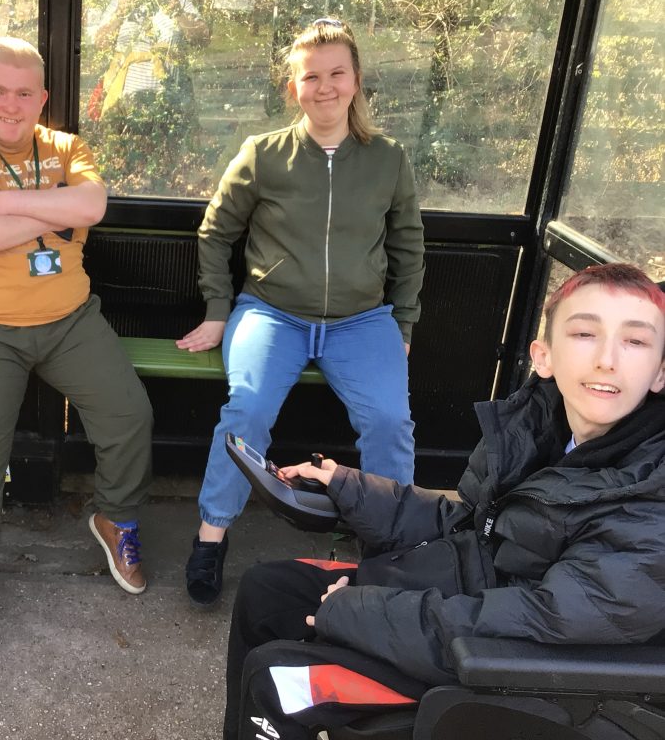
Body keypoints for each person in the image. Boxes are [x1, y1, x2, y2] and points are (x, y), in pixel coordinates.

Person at [224, 263, 665, 739]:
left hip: (514, 669)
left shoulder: (648, 499)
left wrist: (360, 611)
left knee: (281, 680)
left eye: (635, 342)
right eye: (584, 334)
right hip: (471, 603)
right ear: (544, 356)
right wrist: (349, 487)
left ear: (661, 372)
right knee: (266, 590)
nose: (607, 360)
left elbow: (549, 621)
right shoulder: (541, 429)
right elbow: (473, 525)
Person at [0, 37, 153, 675]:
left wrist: (4, 204)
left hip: (68, 318)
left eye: (25, 92)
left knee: (128, 414)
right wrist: (50, 213)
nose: (11, 104)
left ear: (43, 98)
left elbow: (93, 204)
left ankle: (115, 518)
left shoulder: (65, 148)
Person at [177, 19, 424, 607]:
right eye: (311, 76)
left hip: (362, 320)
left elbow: (408, 246)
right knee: (249, 409)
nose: (325, 87)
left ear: (356, 81)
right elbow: (216, 233)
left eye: (337, 73)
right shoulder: (263, 155)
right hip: (272, 313)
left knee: (390, 422)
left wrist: (404, 323)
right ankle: (211, 537)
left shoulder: (387, 159)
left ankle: (393, 550)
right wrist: (217, 310)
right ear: (294, 88)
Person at [88, 0, 209, 187]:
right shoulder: (122, 0)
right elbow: (100, 42)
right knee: (125, 166)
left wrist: (178, 13)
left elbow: (202, 38)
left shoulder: (177, 0)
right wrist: (119, 14)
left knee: (167, 169)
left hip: (170, 101)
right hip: (125, 103)